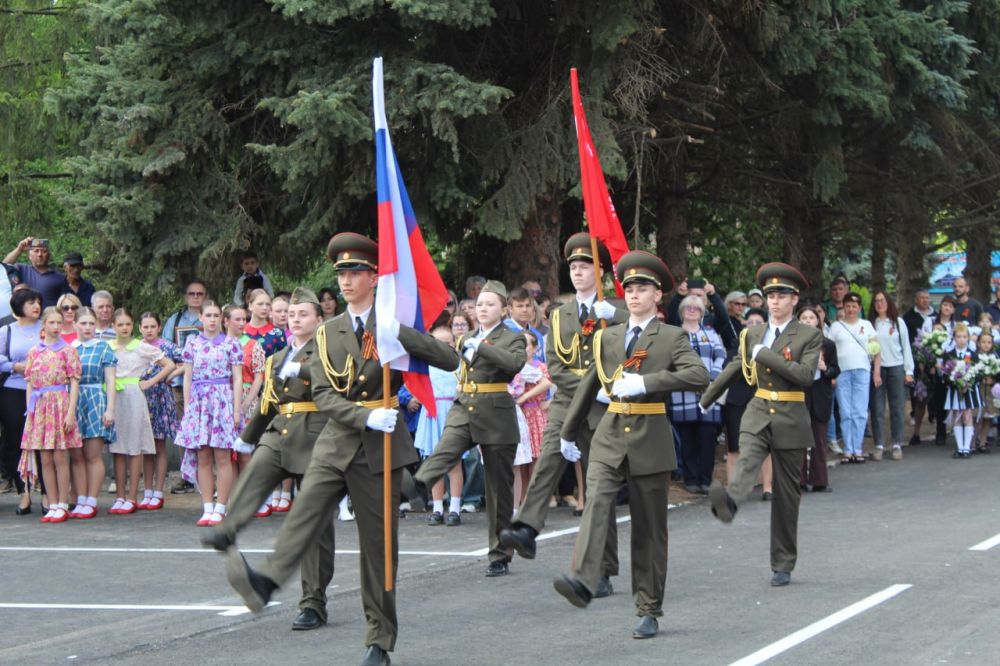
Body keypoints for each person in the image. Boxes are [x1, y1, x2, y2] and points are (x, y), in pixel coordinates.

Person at [223, 233, 459, 666]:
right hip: (337, 439)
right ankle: (268, 581)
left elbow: (449, 360)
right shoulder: (327, 332)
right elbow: (327, 395)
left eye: (354, 272)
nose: (346, 281)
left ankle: (379, 639)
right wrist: (363, 415)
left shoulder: (392, 323)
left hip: (380, 447)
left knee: (378, 549)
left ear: (374, 277)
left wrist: (402, 335)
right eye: (341, 273)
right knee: (306, 511)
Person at [552, 250, 709, 640]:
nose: (634, 294)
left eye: (643, 288)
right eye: (630, 288)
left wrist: (647, 382)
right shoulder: (608, 336)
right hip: (609, 434)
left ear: (658, 296)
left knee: (649, 530)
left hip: (649, 437)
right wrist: (568, 432)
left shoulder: (671, 336)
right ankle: (584, 576)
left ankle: (648, 607)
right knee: (597, 504)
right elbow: (590, 383)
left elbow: (698, 374)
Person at [202, 287, 337, 631]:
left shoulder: (330, 353)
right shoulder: (277, 358)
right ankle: (227, 530)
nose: (296, 319)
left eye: (303, 314)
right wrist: (247, 438)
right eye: (291, 315)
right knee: (258, 469)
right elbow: (268, 403)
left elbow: (340, 385)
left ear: (320, 320)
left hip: (318, 436)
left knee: (315, 526)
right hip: (281, 432)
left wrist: (305, 372)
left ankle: (313, 602)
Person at [499, 234, 625, 596]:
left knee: (600, 488)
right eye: (573, 266)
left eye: (585, 266)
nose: (578, 272)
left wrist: (614, 315)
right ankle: (527, 526)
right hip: (569, 402)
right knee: (549, 458)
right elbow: (554, 362)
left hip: (604, 409)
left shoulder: (615, 307)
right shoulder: (560, 315)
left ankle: (602, 568)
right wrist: (587, 385)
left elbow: (645, 336)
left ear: (599, 271)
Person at [703, 262, 822, 588]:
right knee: (746, 456)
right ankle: (730, 501)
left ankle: (783, 562)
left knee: (786, 494)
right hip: (757, 409)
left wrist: (766, 355)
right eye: (770, 295)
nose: (774, 300)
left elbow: (804, 376)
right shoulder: (752, 333)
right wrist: (708, 397)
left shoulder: (809, 335)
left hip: (790, 414)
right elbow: (737, 365)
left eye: (781, 295)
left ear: (794, 299)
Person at [414, 279, 527, 577]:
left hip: (496, 411)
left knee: (498, 488)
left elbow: (513, 364)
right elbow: (452, 362)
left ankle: (500, 553)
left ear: (503, 310)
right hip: (465, 405)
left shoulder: (512, 336)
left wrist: (484, 348)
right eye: (480, 304)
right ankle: (417, 486)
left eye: (490, 304)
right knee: (445, 449)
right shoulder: (466, 338)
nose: (483, 308)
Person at [173, 300, 243, 526]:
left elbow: (238, 377)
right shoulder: (192, 344)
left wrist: (236, 409)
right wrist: (188, 408)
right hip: (199, 403)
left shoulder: (230, 344)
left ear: (221, 319)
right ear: (201, 318)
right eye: (208, 315)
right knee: (202, 456)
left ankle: (221, 506)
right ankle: (207, 507)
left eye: (216, 315)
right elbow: (187, 376)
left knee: (222, 456)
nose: (212, 320)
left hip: (222, 400)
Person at [107, 309, 174, 515]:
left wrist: (150, 382)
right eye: (120, 325)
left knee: (134, 447)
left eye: (128, 324)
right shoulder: (108, 347)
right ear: (113, 327)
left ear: (132, 325)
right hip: (114, 396)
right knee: (118, 448)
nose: (124, 328)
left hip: (134, 396)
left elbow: (169, 364)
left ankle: (133, 495)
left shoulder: (141, 347)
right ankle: (120, 495)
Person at [20, 306, 83, 523]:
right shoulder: (34, 352)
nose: (56, 327)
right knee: (45, 457)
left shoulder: (68, 351)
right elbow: (30, 383)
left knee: (60, 456)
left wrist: (70, 412)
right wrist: (30, 410)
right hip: (41, 408)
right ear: (44, 325)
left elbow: (74, 383)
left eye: (59, 323)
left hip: (60, 404)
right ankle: (53, 503)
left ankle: (63, 504)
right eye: (52, 323)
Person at [670, 294, 726, 493]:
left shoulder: (710, 333)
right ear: (682, 311)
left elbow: (721, 356)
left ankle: (705, 479)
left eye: (696, 308)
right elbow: (670, 361)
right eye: (688, 308)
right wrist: (687, 378)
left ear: (702, 312)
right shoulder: (674, 334)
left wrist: (712, 376)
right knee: (688, 438)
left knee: (707, 437)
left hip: (709, 391)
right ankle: (691, 479)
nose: (692, 311)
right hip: (683, 392)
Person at [68, 307, 117, 519]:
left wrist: (110, 409)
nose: (88, 327)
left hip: (95, 400)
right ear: (75, 325)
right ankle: (80, 498)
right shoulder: (70, 349)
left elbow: (110, 380)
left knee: (92, 454)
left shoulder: (103, 347)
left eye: (91, 323)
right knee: (77, 456)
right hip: (73, 402)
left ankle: (92, 499)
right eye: (84, 323)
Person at [415, 326, 464, 526]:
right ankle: (437, 507)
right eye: (439, 343)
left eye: (448, 343)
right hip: (432, 413)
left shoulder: (460, 365)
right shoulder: (424, 365)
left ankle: (454, 507)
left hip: (452, 412)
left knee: (454, 463)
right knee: (434, 462)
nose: (444, 347)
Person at [0, 288, 43, 515]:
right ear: (19, 306)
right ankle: (24, 492)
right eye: (30, 302)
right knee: (18, 442)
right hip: (13, 389)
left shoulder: (46, 327)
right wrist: (16, 367)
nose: (36, 306)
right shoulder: (7, 330)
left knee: (45, 442)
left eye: (38, 302)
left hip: (45, 391)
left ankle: (47, 493)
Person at [138, 312, 184, 509]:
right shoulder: (137, 347)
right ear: (139, 328)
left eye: (152, 326)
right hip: (142, 398)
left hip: (162, 397)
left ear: (158, 327)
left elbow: (186, 361)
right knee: (145, 447)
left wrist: (171, 374)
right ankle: (147, 490)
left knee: (160, 445)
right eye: (145, 327)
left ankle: (158, 491)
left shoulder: (167, 346)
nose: (149, 330)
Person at [827, 292, 879, 463]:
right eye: (848, 306)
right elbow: (829, 351)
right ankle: (848, 449)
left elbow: (875, 350)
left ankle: (858, 448)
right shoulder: (836, 327)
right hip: (842, 372)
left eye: (854, 306)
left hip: (862, 369)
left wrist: (876, 371)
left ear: (859, 308)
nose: (851, 309)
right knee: (845, 411)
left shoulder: (867, 325)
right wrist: (831, 374)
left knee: (860, 411)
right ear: (844, 307)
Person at [719, 308, 767, 484]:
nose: (754, 325)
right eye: (750, 322)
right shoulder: (736, 344)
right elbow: (728, 368)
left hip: (764, 399)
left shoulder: (775, 345)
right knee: (735, 447)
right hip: (737, 400)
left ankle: (767, 487)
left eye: (758, 322)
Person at [867, 291, 914, 461]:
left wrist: (909, 371)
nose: (880, 304)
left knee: (897, 408)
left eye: (883, 300)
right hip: (877, 369)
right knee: (877, 409)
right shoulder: (870, 324)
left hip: (896, 367)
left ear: (888, 302)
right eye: (877, 301)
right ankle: (879, 445)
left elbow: (906, 347)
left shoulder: (898, 323)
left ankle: (896, 444)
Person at [797, 304, 838, 492]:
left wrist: (826, 369)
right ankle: (798, 480)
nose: (807, 321)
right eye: (804, 318)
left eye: (811, 318)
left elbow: (836, 369)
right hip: (799, 395)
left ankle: (820, 479)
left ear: (818, 321)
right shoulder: (792, 343)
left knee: (819, 440)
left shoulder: (827, 344)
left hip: (820, 395)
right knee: (797, 440)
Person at [515, 330, 552, 504]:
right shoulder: (514, 365)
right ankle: (522, 499)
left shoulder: (540, 367)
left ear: (535, 348)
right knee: (521, 462)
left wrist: (523, 398)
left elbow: (549, 384)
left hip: (536, 414)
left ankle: (536, 500)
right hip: (520, 416)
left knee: (536, 461)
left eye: (526, 344)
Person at [667, 277, 738, 350]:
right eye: (691, 295)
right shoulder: (679, 318)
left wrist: (713, 295)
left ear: (706, 301)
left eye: (699, 295)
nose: (694, 298)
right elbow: (670, 320)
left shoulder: (711, 320)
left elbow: (724, 318)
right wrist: (679, 296)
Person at [944, 323, 981, 457]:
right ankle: (959, 447)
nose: (961, 339)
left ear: (968, 338)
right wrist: (956, 383)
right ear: (954, 338)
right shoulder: (949, 355)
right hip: (955, 391)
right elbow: (945, 374)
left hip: (968, 391)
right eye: (958, 337)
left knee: (967, 416)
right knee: (957, 417)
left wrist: (967, 384)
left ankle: (967, 448)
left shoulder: (972, 355)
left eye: (964, 337)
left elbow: (977, 373)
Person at [903, 290, 935, 445]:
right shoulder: (908, 317)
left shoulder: (935, 316)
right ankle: (916, 432)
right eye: (921, 298)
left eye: (927, 298)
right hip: (916, 362)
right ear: (915, 299)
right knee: (918, 396)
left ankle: (940, 428)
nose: (925, 300)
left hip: (935, 361)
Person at [3, 237, 65, 307]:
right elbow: (3, 266)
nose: (40, 254)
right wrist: (19, 249)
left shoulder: (60, 278)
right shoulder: (21, 269)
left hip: (49, 317)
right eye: (36, 251)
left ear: (49, 255)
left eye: (44, 251)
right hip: (25, 317)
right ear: (30, 255)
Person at [505, 287, 546, 362]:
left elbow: (543, 362)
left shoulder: (538, 335)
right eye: (520, 306)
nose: (525, 310)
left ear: (533, 307)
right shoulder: (503, 331)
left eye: (528, 306)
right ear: (510, 308)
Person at [245, 288, 287, 358]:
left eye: (268, 304)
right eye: (260, 304)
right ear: (250, 306)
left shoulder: (278, 333)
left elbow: (282, 362)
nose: (265, 307)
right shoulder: (240, 331)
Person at [973, 333, 997, 451]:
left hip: (990, 391)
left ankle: (983, 442)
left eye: (989, 342)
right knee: (976, 417)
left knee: (988, 417)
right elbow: (970, 372)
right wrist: (980, 378)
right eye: (983, 342)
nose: (986, 345)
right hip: (978, 390)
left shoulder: (995, 357)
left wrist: (994, 379)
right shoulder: (975, 356)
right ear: (978, 343)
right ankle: (972, 443)